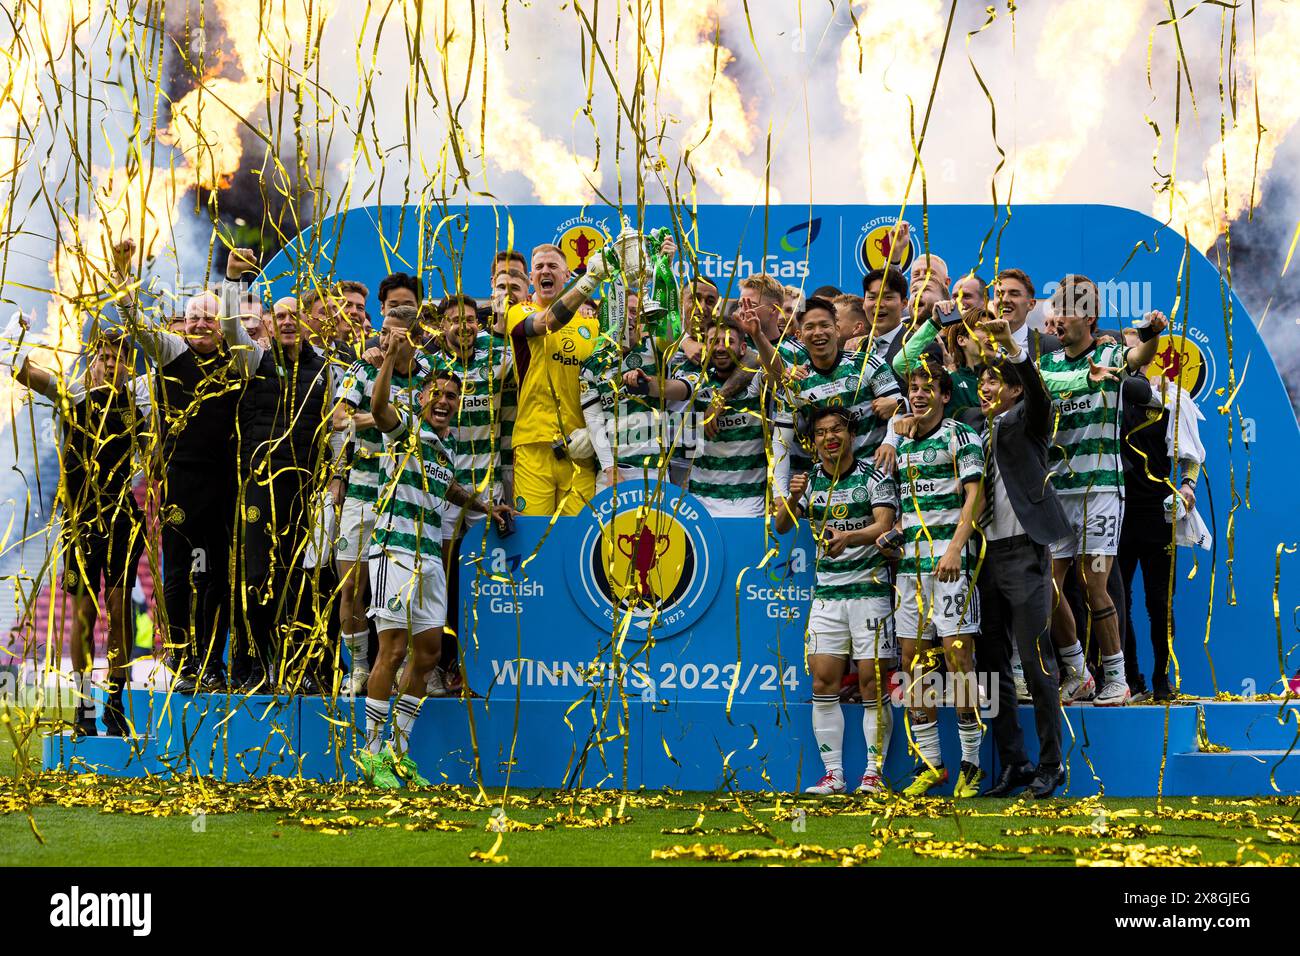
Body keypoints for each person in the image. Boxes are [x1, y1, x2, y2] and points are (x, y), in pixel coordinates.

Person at [358, 334, 510, 788]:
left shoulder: (443, 450)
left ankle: (399, 754)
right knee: (394, 650)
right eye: (436, 394)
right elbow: (381, 404)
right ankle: (370, 754)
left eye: (451, 397)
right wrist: (387, 361)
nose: (443, 401)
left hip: (429, 558)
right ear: (422, 399)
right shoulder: (404, 429)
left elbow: (448, 489)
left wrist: (486, 506)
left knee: (428, 654)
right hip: (394, 551)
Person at [963, 316, 1101, 799]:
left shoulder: (1031, 419)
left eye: (995, 380)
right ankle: (1016, 763)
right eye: (982, 378)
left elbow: (1041, 396)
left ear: (1015, 390)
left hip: (1026, 551)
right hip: (984, 557)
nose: (985, 386)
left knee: (1036, 662)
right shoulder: (973, 427)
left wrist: (1014, 353)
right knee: (991, 666)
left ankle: (1051, 763)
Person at [11, 324, 151, 735]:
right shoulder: (73, 394)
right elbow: (25, 373)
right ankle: (83, 706)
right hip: (82, 521)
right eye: (104, 357)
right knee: (85, 614)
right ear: (93, 361)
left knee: (122, 612)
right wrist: (13, 339)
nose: (111, 365)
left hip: (124, 518)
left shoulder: (139, 398)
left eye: (119, 358)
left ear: (128, 365)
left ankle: (115, 701)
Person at [117, 246, 243, 695]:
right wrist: (121, 275)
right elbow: (134, 323)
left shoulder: (237, 359)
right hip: (180, 485)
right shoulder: (171, 354)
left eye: (208, 318)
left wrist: (230, 284)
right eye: (193, 318)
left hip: (223, 485)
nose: (200, 324)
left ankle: (212, 662)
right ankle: (185, 660)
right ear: (184, 323)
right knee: (177, 578)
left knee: (215, 579)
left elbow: (235, 322)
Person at [1038, 276, 1167, 707]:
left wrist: (1152, 335)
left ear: (1090, 317)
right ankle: (1078, 673)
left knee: (1095, 583)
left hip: (1101, 491)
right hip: (1058, 493)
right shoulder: (1048, 363)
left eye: (1068, 309)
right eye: (1056, 308)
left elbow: (1138, 356)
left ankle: (1116, 677)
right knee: (1049, 588)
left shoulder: (1110, 352)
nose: (1058, 317)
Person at [220, 251, 334, 692]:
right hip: (258, 488)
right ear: (268, 324)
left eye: (295, 316)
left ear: (307, 323)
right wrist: (233, 280)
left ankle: (299, 667)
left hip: (306, 488)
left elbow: (338, 431)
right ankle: (252, 665)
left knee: (302, 580)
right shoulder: (254, 361)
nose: (287, 323)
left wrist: (335, 478)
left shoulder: (327, 370)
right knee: (253, 577)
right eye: (279, 316)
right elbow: (230, 328)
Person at [773, 406, 898, 795]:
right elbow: (780, 526)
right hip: (827, 596)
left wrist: (849, 538)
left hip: (870, 593)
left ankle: (873, 773)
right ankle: (834, 774)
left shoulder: (873, 477)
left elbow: (884, 525)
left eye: (837, 430)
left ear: (851, 435)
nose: (829, 438)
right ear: (814, 443)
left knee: (871, 684)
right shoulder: (808, 481)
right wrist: (793, 500)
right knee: (823, 682)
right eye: (822, 432)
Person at [889, 361, 986, 798]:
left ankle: (972, 766)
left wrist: (953, 549)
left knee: (958, 663)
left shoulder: (960, 436)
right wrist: (893, 538)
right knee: (915, 666)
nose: (919, 393)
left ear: (946, 396)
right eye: (913, 387)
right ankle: (932, 765)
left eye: (928, 387)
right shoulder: (904, 444)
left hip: (951, 569)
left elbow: (975, 499)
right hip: (910, 572)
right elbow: (907, 509)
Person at [331, 305, 429, 697]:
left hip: (405, 497)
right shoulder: (363, 370)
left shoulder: (428, 374)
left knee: (402, 591)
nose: (384, 339)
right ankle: (355, 668)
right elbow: (339, 419)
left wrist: (387, 416)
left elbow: (431, 418)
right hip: (362, 490)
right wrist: (386, 415)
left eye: (394, 334)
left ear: (414, 338)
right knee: (351, 587)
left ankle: (401, 666)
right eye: (383, 331)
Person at [426, 293, 513, 695]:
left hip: (485, 489)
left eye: (470, 319)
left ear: (479, 323)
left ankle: (468, 667)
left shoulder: (498, 354)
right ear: (442, 325)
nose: (462, 326)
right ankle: (431, 663)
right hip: (440, 488)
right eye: (453, 320)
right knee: (439, 579)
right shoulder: (429, 364)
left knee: (477, 586)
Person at [1118, 330, 1209, 701]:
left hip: (1157, 512)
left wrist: (1187, 486)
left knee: (1160, 603)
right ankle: (1129, 678)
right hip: (1116, 511)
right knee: (1116, 601)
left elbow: (1192, 455)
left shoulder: (1173, 398)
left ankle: (1160, 678)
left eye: (1140, 346)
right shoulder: (1107, 395)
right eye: (1126, 349)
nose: (1133, 355)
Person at [746, 297, 901, 502]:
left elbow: (899, 409)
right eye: (810, 327)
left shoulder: (868, 363)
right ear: (800, 335)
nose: (818, 332)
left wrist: (890, 442)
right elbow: (781, 440)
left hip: (877, 483)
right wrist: (779, 493)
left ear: (837, 329)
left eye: (825, 325)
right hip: (828, 491)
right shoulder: (796, 382)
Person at [505, 243, 608, 516]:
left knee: (577, 540)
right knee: (534, 539)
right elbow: (548, 322)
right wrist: (591, 281)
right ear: (530, 279)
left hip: (580, 450)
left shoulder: (592, 326)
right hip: (533, 446)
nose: (545, 271)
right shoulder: (519, 312)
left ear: (566, 276)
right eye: (538, 267)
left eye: (553, 267)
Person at [684, 317, 768, 517]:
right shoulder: (697, 378)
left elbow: (762, 361)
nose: (720, 348)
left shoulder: (756, 381)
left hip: (748, 500)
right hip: (701, 498)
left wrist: (720, 396)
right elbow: (670, 389)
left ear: (743, 348)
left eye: (729, 341)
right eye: (714, 341)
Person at [991, 268, 1059, 363]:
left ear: (1031, 304)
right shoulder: (977, 343)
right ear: (993, 302)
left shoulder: (1053, 346)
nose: (1005, 299)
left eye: (1014, 294)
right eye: (999, 294)